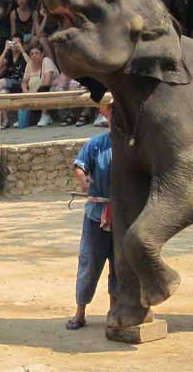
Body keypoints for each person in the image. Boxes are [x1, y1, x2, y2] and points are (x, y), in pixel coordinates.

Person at [66, 101, 116, 330]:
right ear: (106, 114)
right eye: (113, 111)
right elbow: (80, 165)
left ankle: (114, 311)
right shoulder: (97, 144)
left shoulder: (136, 147)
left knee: (121, 267)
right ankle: (80, 312)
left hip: (125, 218)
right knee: (89, 263)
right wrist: (83, 178)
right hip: (96, 216)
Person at [17, 42, 59, 128]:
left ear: (42, 54)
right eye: (32, 54)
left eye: (37, 53)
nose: (34, 56)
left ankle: (46, 115)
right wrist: (26, 91)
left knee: (42, 87)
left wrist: (33, 95)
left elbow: (47, 82)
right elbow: (24, 82)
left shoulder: (46, 61)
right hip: (35, 95)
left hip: (52, 90)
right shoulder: (29, 64)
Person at [0, 35, 26, 129]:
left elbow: (30, 64)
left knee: (2, 82)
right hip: (9, 84)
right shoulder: (9, 55)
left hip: (20, 83)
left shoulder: (24, 55)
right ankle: (5, 121)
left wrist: (22, 50)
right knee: (2, 93)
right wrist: (5, 49)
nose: (14, 45)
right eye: (13, 43)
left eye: (17, 43)